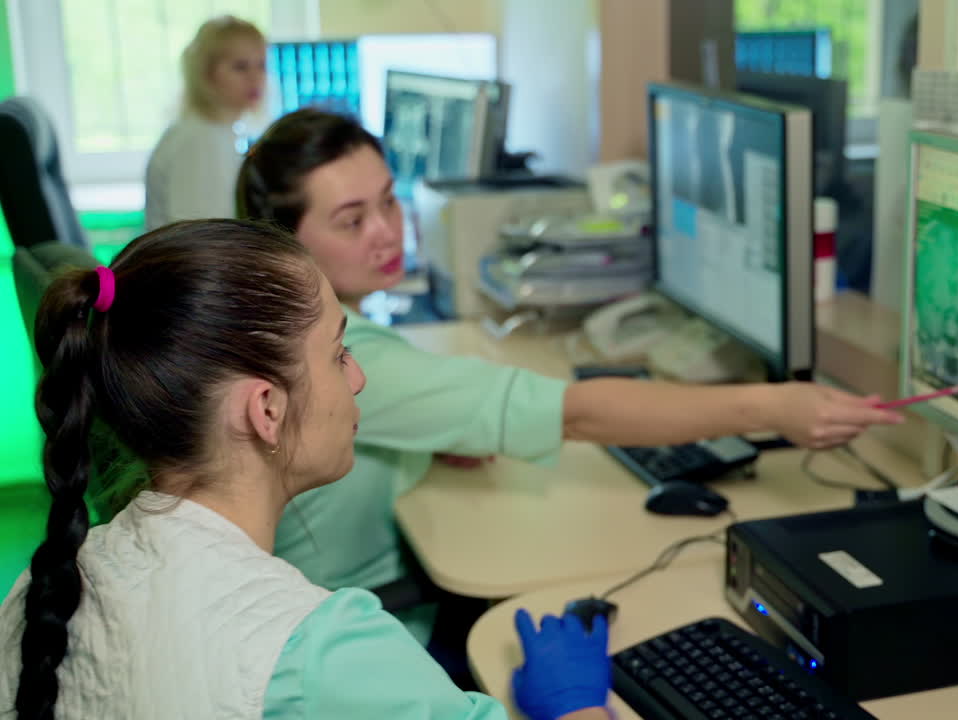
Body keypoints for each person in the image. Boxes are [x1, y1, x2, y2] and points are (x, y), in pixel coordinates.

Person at [235, 108, 904, 628]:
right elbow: (578, 411)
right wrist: (772, 406)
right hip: (367, 637)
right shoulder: (347, 362)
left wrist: (430, 444)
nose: (386, 230)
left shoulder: (297, 334)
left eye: (387, 201)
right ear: (281, 244)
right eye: (352, 221)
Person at [0, 220, 610, 720]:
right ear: (266, 409)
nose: (359, 378)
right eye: (339, 354)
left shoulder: (40, 588)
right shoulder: (322, 652)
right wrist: (573, 706)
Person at [143, 16, 266, 230]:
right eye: (240, 67)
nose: (256, 77)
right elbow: (203, 240)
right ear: (206, 74)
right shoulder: (200, 140)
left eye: (261, 65)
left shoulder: (220, 132)